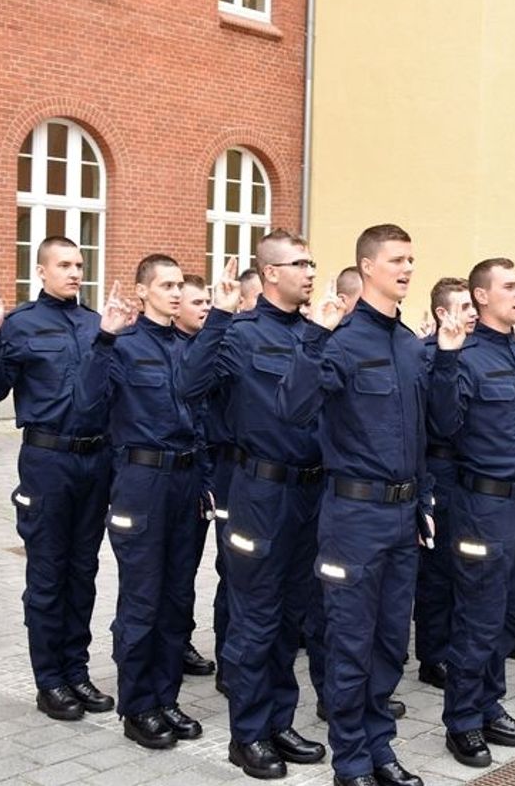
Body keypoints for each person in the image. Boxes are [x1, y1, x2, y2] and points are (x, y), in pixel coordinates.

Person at [277, 224, 429, 786]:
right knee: (350, 639)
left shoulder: (411, 345)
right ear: (367, 267)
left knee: (390, 641)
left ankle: (380, 749)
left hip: (403, 513)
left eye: (412, 259)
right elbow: (291, 409)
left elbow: (428, 435)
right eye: (397, 259)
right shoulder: (340, 341)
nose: (408, 269)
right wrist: (314, 337)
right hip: (354, 516)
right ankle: (351, 760)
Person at [180, 234, 334, 779]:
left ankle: (279, 721)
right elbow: (189, 384)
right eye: (300, 264)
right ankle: (248, 735)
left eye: (312, 262)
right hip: (259, 492)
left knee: (292, 616)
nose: (311, 271)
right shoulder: (241, 333)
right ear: (270, 274)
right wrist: (219, 316)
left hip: (311, 493)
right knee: (256, 617)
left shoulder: (316, 332)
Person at [0, 236, 114, 722]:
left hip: (95, 463)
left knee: (84, 571)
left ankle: (77, 670)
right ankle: (49, 679)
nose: (75, 272)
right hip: (47, 461)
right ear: (42, 271)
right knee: (49, 573)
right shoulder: (20, 325)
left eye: (79, 264)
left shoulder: (97, 324)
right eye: (65, 264)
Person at [76, 254, 204, 749]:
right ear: (142, 291)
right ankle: (137, 705)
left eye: (179, 285)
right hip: (142, 482)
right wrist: (104, 339)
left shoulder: (189, 348)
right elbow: (86, 406)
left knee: (177, 599)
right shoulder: (121, 346)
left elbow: (205, 419)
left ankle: (165, 695)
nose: (176, 293)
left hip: (185, 481)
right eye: (166, 285)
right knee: (143, 599)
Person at [429, 257, 515, 768]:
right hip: (484, 506)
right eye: (510, 286)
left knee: (510, 616)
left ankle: (489, 702)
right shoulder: (464, 356)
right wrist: (449, 358)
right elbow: (442, 426)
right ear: (480, 296)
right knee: (477, 617)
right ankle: (463, 721)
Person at [415, 277, 478, 691]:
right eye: (464, 306)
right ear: (442, 313)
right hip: (439, 470)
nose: (472, 312)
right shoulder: (426, 355)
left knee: (465, 568)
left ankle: (456, 646)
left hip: (470, 474)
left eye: (474, 305)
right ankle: (432, 655)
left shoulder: (481, 351)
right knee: (437, 573)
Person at [174, 275, 218, 680]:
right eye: (197, 302)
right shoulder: (168, 349)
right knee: (168, 570)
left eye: (208, 301)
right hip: (162, 476)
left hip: (202, 473)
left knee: (187, 566)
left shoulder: (213, 349)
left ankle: (180, 640)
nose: (205, 308)